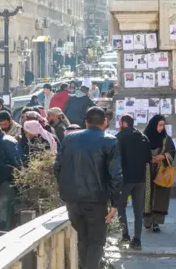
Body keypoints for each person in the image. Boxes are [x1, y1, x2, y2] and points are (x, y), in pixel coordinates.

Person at [54, 107, 121, 269]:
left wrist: (65, 191)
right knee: (96, 241)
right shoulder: (110, 141)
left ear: (86, 122)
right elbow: (116, 175)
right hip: (96, 200)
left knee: (83, 239)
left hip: (72, 200)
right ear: (105, 122)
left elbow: (57, 167)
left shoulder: (69, 139)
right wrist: (115, 203)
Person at [117, 114, 152, 250]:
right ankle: (137, 239)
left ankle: (125, 235)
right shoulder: (143, 137)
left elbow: (116, 159)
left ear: (124, 123)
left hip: (125, 178)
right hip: (140, 178)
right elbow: (149, 157)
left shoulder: (119, 137)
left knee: (121, 207)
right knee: (138, 210)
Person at [143, 114, 176, 232]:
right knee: (146, 196)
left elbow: (172, 152)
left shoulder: (166, 139)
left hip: (160, 171)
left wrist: (162, 156)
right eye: (160, 125)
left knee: (159, 196)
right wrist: (149, 158)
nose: (161, 128)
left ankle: (156, 222)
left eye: (163, 125)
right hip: (146, 171)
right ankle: (147, 221)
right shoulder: (144, 138)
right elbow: (138, 153)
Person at [0, 123, 22, 231]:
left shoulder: (4, 142)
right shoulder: (6, 139)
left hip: (7, 180)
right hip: (9, 179)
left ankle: (4, 231)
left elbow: (13, 162)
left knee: (5, 209)